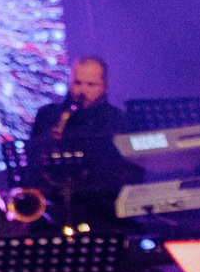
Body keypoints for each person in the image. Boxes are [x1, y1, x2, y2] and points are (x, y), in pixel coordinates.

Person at [23, 55, 134, 221]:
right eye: (77, 83)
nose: (82, 91)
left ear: (105, 87)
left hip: (101, 209)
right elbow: (32, 166)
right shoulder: (48, 115)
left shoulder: (117, 119)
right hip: (54, 207)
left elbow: (127, 172)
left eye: (91, 85)